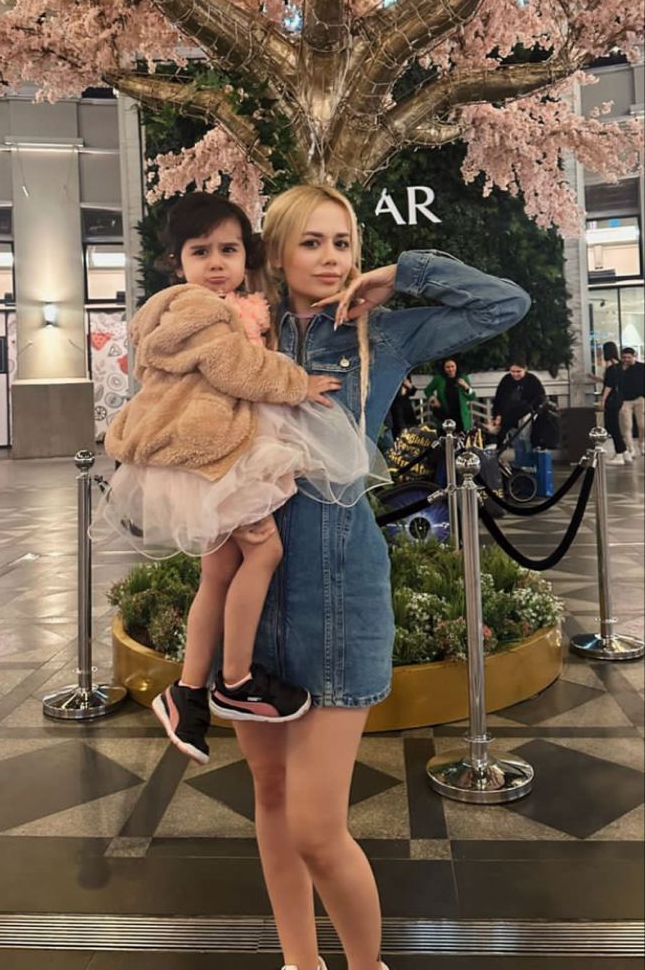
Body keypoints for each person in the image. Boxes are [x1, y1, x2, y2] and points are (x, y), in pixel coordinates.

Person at [226, 183, 529, 970]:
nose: (331, 260)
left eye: (343, 243)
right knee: (268, 799)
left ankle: (367, 966)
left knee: (318, 828)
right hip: (245, 585)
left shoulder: (381, 333)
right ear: (276, 252)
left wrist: (401, 271)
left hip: (338, 584)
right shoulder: (239, 332)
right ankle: (300, 961)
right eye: (312, 243)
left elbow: (505, 303)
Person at [99, 192, 388, 765]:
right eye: (200, 250)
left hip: (200, 456)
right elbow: (238, 369)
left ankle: (187, 690)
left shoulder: (194, 309)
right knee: (264, 553)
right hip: (214, 455)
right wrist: (297, 383)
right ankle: (233, 679)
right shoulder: (202, 311)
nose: (215, 263)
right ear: (175, 261)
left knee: (219, 571)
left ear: (246, 256)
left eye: (228, 249)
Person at [491, 358, 546, 461]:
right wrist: (498, 415)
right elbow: (499, 399)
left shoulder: (532, 380)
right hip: (510, 416)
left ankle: (530, 462)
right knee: (515, 440)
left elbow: (540, 396)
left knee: (525, 438)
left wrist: (531, 409)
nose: (515, 374)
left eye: (518, 371)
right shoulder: (506, 380)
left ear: (525, 369)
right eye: (512, 371)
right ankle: (521, 462)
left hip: (527, 414)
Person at [424, 356, 475, 433]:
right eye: (447, 367)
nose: (450, 369)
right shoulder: (439, 379)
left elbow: (472, 397)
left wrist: (465, 386)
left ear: (456, 367)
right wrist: (433, 399)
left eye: (452, 366)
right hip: (444, 415)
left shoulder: (463, 377)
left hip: (460, 416)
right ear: (444, 368)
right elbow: (428, 390)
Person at [600, 340, 629, 464]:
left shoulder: (610, 367)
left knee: (613, 426)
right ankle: (624, 452)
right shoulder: (620, 366)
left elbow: (608, 385)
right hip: (619, 399)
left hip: (611, 400)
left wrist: (603, 400)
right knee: (615, 426)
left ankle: (619, 454)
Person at [620, 347, 645, 457]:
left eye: (628, 357)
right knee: (627, 426)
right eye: (624, 357)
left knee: (642, 425)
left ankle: (641, 444)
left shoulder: (642, 367)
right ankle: (631, 448)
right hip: (625, 401)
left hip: (640, 399)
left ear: (634, 356)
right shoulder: (620, 369)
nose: (626, 360)